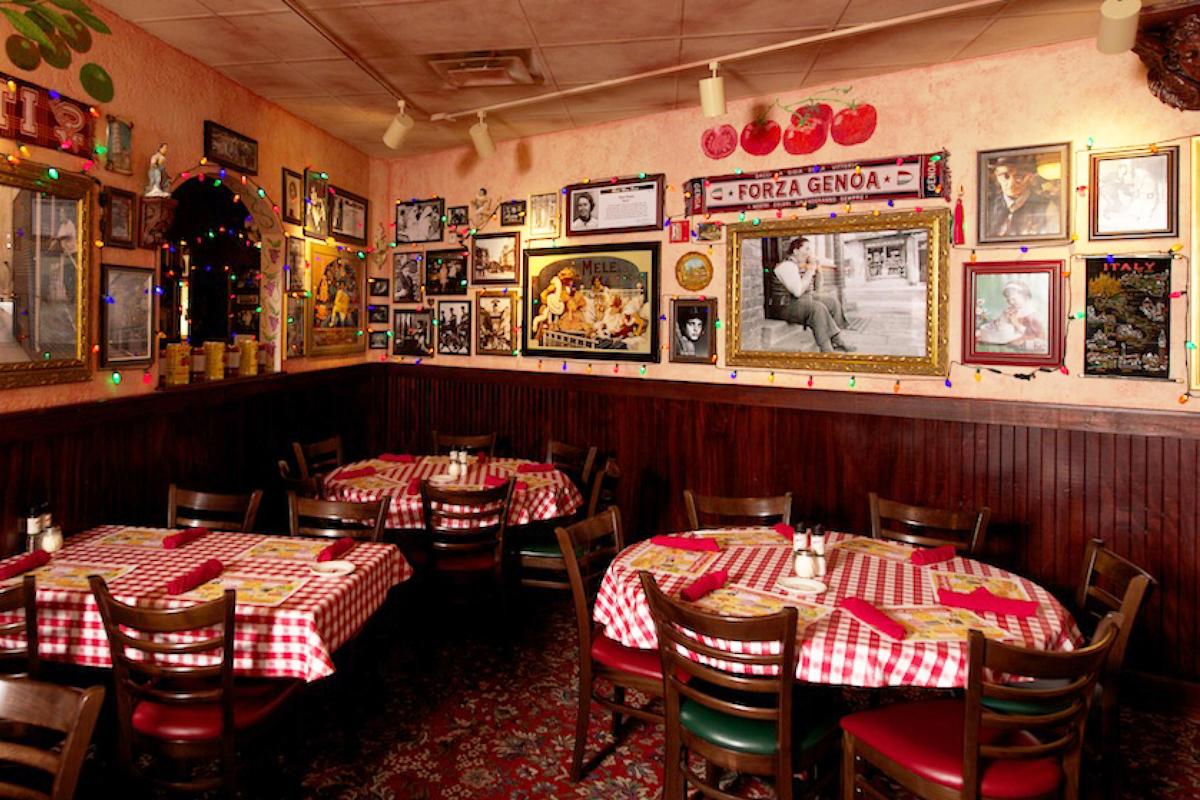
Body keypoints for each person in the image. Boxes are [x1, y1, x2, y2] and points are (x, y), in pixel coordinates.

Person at [771, 237, 855, 353]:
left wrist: (818, 271)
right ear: (796, 251)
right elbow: (797, 291)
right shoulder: (786, 266)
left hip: (799, 302)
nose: (810, 253)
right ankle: (826, 349)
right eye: (807, 249)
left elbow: (817, 290)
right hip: (784, 306)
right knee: (817, 308)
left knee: (832, 302)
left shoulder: (801, 266)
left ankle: (837, 339)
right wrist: (810, 271)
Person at [986, 154, 1058, 238]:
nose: (1011, 183)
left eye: (1019, 176)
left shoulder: (1048, 207)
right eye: (1005, 176)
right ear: (996, 176)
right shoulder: (988, 207)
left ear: (1030, 177)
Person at [976, 281, 1045, 351]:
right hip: (1009, 333)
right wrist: (1001, 319)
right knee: (988, 331)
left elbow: (1034, 333)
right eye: (1008, 300)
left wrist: (1014, 322)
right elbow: (1002, 322)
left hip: (1021, 335)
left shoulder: (1030, 313)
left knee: (1011, 341)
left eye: (1014, 299)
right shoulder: (1012, 309)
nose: (1011, 302)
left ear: (1025, 297)